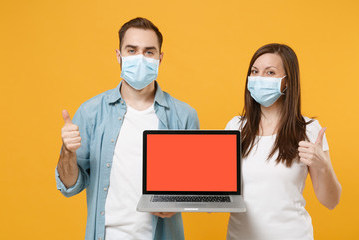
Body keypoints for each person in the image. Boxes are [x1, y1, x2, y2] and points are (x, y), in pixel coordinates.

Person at [55, 17, 199, 240]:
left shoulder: (184, 116)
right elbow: (70, 187)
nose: (140, 58)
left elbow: (194, 186)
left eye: (149, 52)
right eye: (132, 50)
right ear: (119, 55)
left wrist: (179, 202)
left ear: (160, 59)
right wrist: (67, 152)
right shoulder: (91, 112)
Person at [225, 43, 341, 240]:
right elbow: (220, 192)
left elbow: (331, 201)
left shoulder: (308, 129)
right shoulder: (236, 127)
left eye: (270, 72)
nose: (259, 78)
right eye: (254, 71)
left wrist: (323, 166)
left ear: (287, 82)